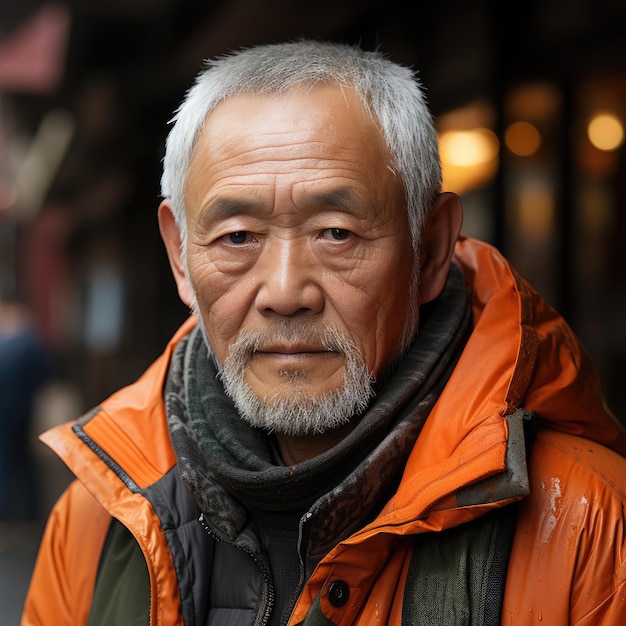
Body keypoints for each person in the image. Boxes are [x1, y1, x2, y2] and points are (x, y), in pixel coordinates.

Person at [22, 40, 626, 625]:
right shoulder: (99, 523)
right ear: (181, 256)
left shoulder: (590, 526)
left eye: (337, 233)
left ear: (431, 247)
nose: (286, 293)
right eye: (238, 237)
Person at [0, 289, 51, 526]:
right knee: (25, 463)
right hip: (25, 411)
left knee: (7, 464)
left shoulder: (8, 344)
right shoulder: (31, 342)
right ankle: (30, 513)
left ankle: (8, 515)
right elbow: (46, 375)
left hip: (6, 413)